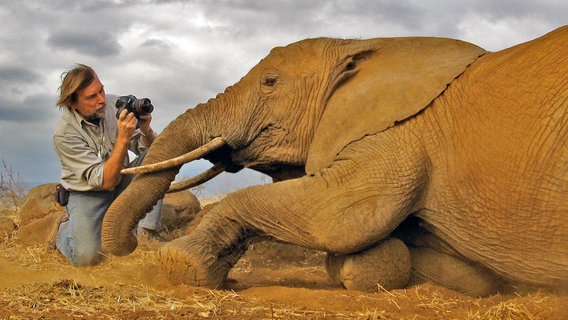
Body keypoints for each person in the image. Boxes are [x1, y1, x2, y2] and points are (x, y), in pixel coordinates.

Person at [52, 64, 163, 266]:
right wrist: (122, 138)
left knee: (158, 156)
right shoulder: (64, 133)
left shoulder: (114, 105)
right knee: (86, 258)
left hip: (121, 180)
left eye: (101, 90)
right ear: (73, 103)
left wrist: (146, 129)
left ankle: (147, 233)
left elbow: (145, 149)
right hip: (88, 193)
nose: (101, 99)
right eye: (91, 97)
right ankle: (63, 231)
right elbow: (105, 180)